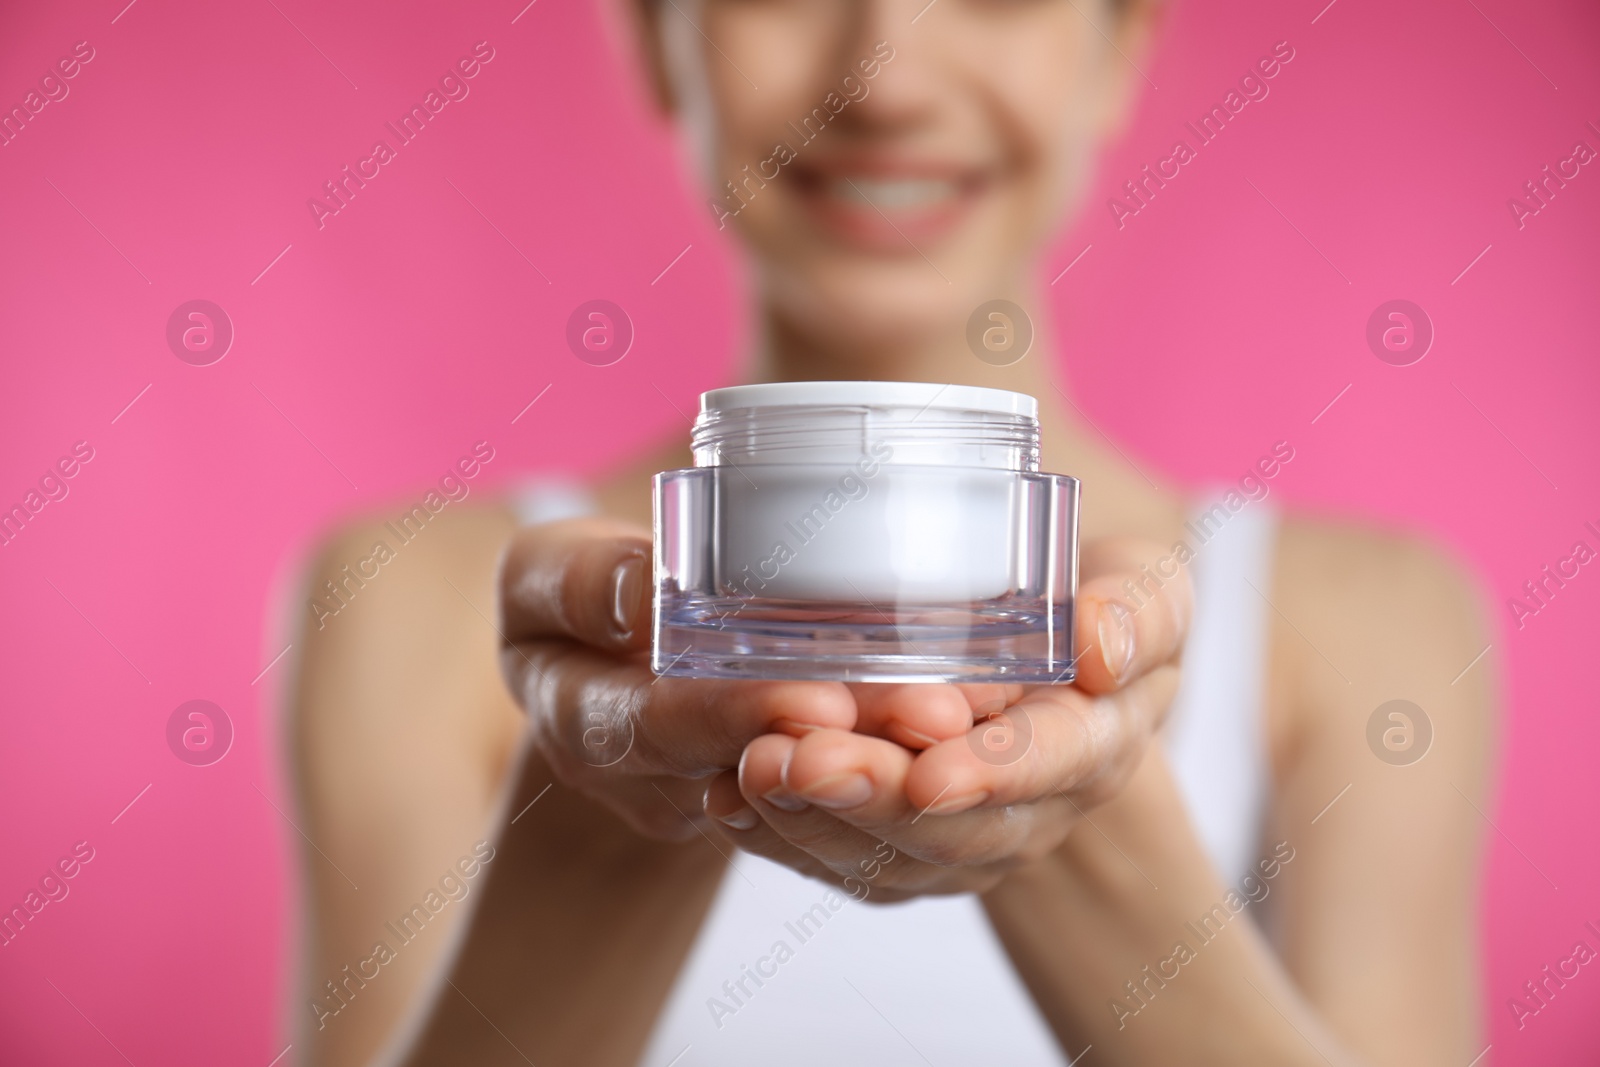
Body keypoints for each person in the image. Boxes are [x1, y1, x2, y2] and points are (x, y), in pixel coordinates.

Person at [287, 1, 1494, 1063]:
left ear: (1117, 46)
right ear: (659, 35)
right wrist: (618, 820)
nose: (884, 78)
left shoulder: (1375, 623)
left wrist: (1092, 828)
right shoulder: (402, 603)